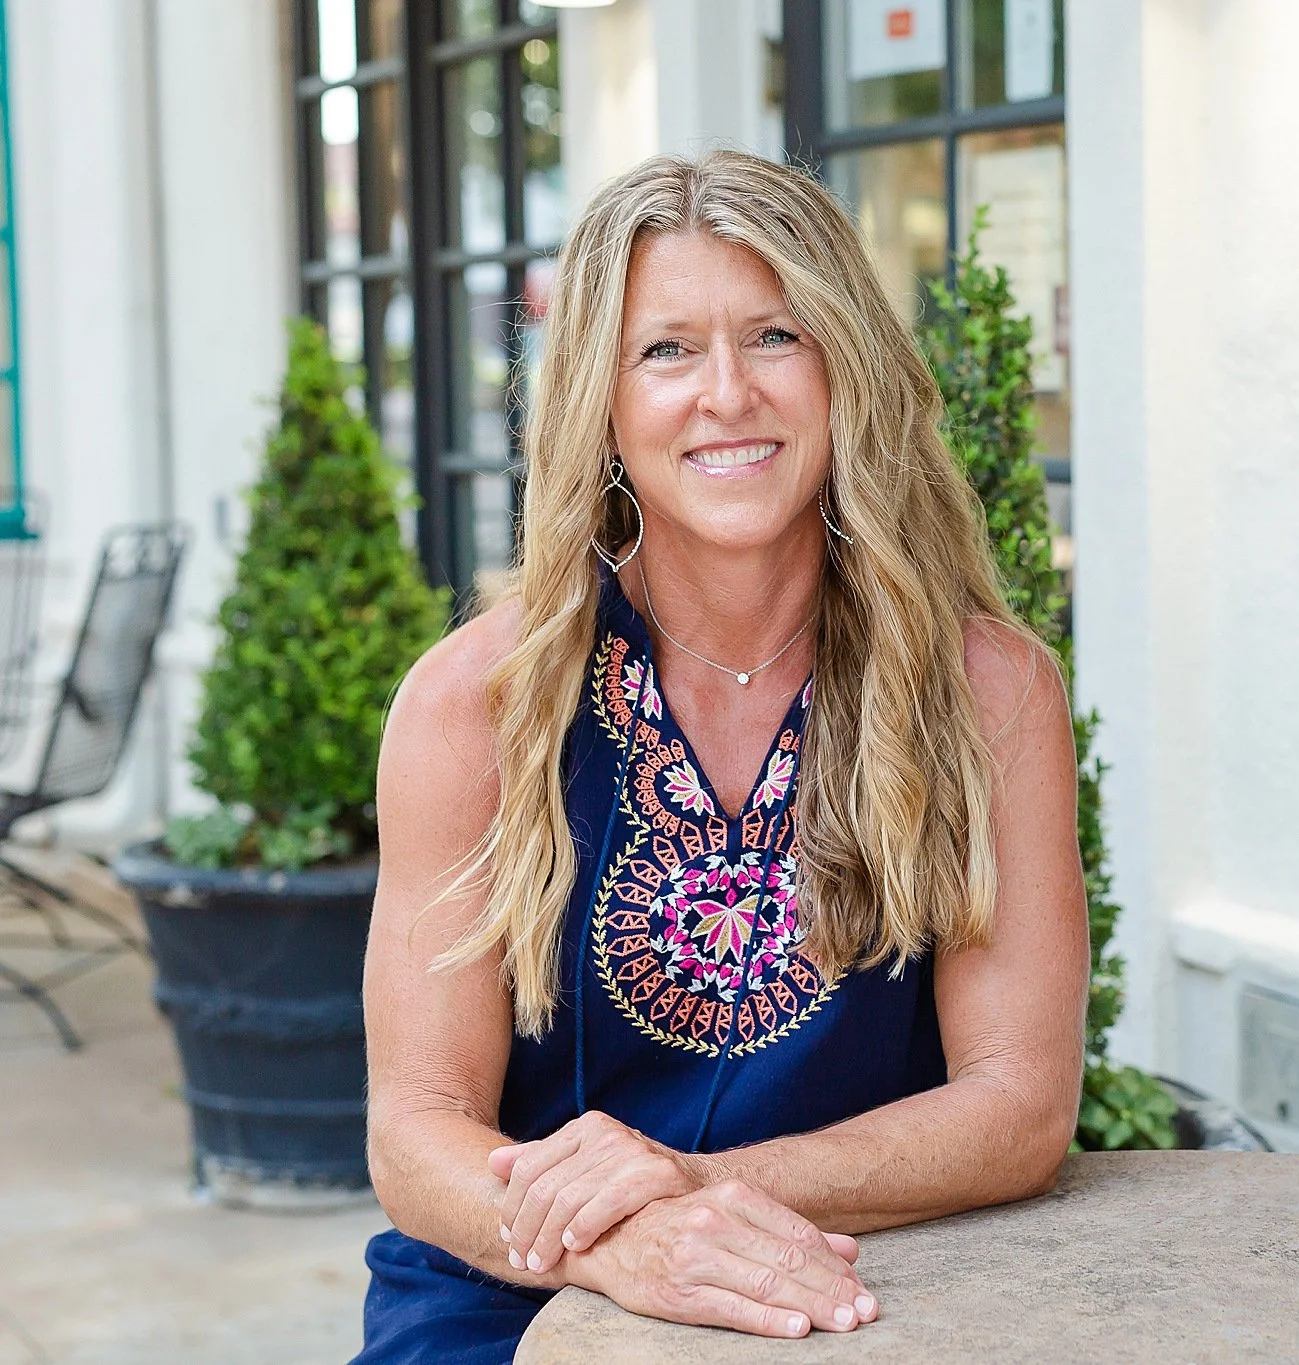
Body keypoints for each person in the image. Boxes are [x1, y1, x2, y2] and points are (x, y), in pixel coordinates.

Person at [353, 151, 1089, 1363]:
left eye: (775, 337)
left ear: (845, 368)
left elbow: (1018, 1107)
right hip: (518, 1286)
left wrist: (689, 1186)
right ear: (597, 400)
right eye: (667, 350)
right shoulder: (474, 707)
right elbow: (417, 1131)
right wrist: (617, 1244)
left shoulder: (987, 694)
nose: (728, 392)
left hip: (858, 1278)